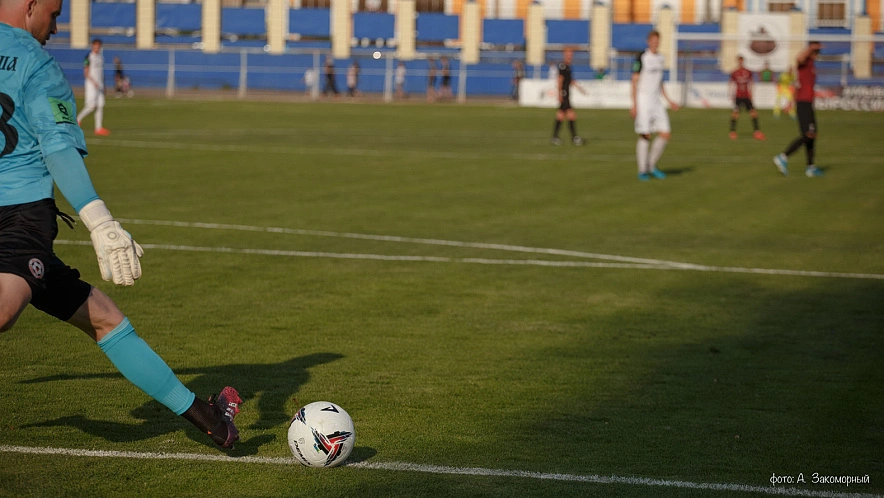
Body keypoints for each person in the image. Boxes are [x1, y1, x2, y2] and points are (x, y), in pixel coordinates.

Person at [0, 0, 242, 449]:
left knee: (105, 318)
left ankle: (208, 419)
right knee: (3, 310)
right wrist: (99, 219)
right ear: (30, 5)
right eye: (53, 13)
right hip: (18, 218)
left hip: (20, 223)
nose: (56, 26)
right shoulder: (36, 63)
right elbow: (56, 148)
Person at [631, 30, 678, 181]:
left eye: (657, 41)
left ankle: (651, 165)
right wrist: (634, 104)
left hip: (656, 101)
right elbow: (634, 81)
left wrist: (669, 100)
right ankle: (642, 170)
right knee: (645, 134)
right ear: (648, 41)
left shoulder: (660, 58)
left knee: (665, 133)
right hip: (643, 99)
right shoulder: (641, 57)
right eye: (652, 40)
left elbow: (660, 82)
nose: (655, 43)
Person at [773, 41, 824, 177]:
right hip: (803, 103)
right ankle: (783, 157)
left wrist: (790, 102)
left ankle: (810, 167)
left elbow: (797, 85)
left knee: (811, 136)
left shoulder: (811, 65)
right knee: (808, 134)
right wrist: (810, 47)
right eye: (816, 52)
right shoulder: (804, 62)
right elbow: (798, 58)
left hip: (806, 103)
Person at [551, 48, 585, 146]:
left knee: (561, 115)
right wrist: (560, 93)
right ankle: (574, 138)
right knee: (571, 115)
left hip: (566, 93)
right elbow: (560, 80)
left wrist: (579, 88)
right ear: (564, 55)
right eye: (568, 54)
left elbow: (569, 80)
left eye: (571, 54)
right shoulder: (562, 66)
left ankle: (555, 137)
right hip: (564, 93)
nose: (570, 56)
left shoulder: (568, 66)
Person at [76, 39, 109, 136]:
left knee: (100, 106)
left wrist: (103, 85)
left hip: (100, 85)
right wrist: (93, 81)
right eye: (95, 46)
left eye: (98, 46)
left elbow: (101, 73)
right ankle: (78, 119)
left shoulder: (100, 58)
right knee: (91, 106)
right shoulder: (89, 57)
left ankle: (98, 128)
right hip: (91, 85)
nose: (97, 48)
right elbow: (86, 72)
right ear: (92, 46)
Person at [728, 55, 765, 140]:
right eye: (739, 61)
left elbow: (751, 82)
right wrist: (731, 94)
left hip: (746, 96)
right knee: (735, 113)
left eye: (741, 61)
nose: (740, 62)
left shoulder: (748, 71)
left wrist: (751, 93)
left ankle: (757, 132)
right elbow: (731, 83)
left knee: (753, 112)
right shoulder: (734, 72)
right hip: (738, 96)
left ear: (743, 61)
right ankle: (732, 132)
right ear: (737, 61)